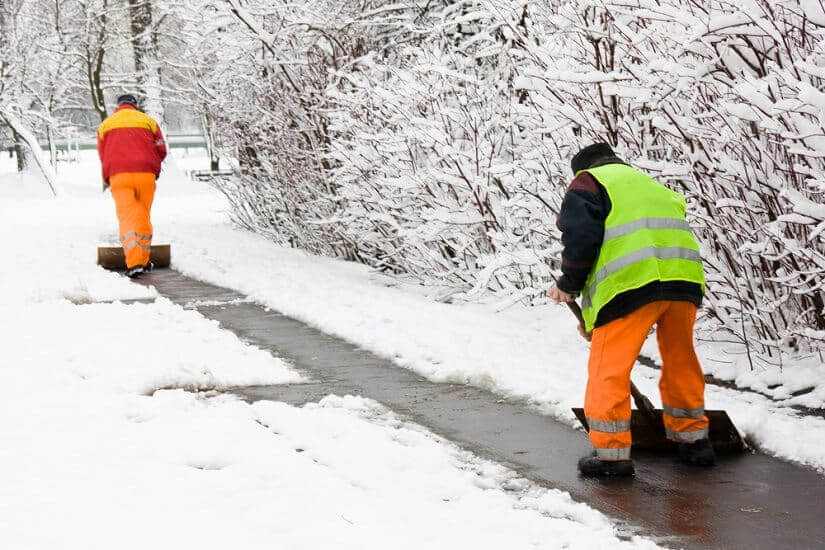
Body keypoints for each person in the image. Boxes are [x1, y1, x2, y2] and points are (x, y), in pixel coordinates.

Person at [547, 142, 713, 477]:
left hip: (632, 285)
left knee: (610, 367)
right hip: (683, 282)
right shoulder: (651, 185)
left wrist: (569, 284)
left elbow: (581, 236)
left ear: (582, 168)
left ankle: (612, 456)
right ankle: (694, 441)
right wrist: (594, 317)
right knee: (680, 356)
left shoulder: (588, 182)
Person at [97, 93, 167, 278]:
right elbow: (161, 149)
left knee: (128, 217)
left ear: (118, 106)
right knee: (143, 216)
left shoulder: (106, 125)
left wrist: (108, 176)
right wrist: (153, 166)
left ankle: (134, 262)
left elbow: (102, 155)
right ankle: (143, 261)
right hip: (146, 175)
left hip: (119, 176)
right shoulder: (148, 121)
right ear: (135, 105)